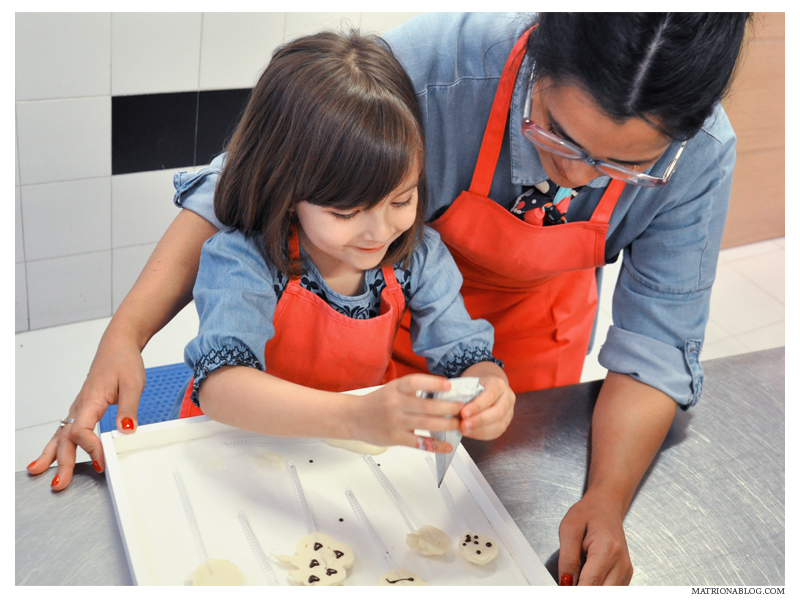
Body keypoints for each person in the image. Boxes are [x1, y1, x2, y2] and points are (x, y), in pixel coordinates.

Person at [29, 12, 752, 586]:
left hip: (448, 386)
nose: (577, 174)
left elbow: (648, 346)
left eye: (624, 166)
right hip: (295, 432)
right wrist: (125, 334)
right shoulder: (256, 253)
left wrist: (518, 413)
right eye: (556, 134)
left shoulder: (414, 254)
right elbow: (230, 238)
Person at [166, 30, 513, 446]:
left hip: (341, 449)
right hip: (234, 443)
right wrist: (355, 416)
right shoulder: (244, 259)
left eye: (401, 200)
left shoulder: (417, 258)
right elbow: (221, 387)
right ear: (288, 191)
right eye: (346, 212)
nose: (379, 232)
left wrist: (488, 388)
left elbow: (464, 353)